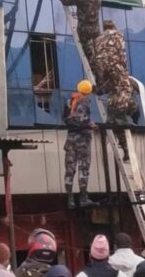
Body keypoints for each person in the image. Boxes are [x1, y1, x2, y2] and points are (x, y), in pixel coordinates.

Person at [94, 20, 137, 162]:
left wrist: (98, 89)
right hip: (119, 99)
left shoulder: (99, 38)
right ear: (113, 26)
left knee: (115, 122)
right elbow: (122, 53)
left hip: (104, 71)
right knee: (123, 117)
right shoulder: (118, 35)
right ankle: (134, 117)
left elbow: (107, 85)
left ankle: (125, 150)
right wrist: (122, 65)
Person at [63, 80, 98, 208]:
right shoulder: (84, 101)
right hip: (82, 139)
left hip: (70, 138)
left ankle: (70, 200)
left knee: (69, 169)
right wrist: (91, 124)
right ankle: (83, 198)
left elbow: (66, 118)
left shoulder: (70, 101)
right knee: (83, 168)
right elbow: (81, 119)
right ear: (88, 92)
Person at [59, 0, 102, 74]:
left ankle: (95, 74)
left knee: (88, 54)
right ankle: (100, 71)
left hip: (84, 31)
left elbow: (65, 1)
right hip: (96, 31)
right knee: (98, 54)